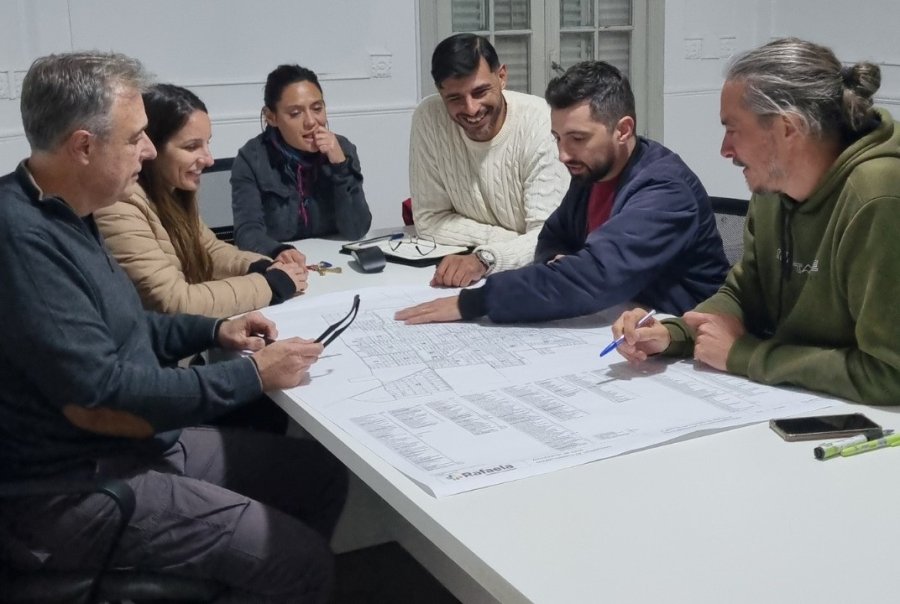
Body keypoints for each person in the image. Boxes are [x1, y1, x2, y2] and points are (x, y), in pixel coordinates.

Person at [0, 51, 347, 603]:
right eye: (136, 136)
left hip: (127, 442)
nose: (147, 149)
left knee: (318, 475)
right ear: (84, 146)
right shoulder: (22, 238)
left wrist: (213, 334)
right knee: (297, 563)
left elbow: (131, 324)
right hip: (70, 487)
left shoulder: (71, 209)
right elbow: (105, 393)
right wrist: (252, 376)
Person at [612, 38, 900, 406]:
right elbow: (745, 293)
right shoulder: (773, 188)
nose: (724, 149)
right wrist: (672, 334)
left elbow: (890, 373)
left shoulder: (878, 198)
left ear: (787, 129)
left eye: (733, 129)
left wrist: (745, 357)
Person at [396, 61, 728, 326]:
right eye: (557, 138)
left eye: (578, 138)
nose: (563, 154)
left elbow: (595, 277)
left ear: (623, 130)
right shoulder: (591, 172)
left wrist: (475, 301)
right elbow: (552, 238)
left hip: (687, 336)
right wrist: (561, 264)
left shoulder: (665, 191)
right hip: (623, 321)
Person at [95, 83, 307, 318]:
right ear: (150, 148)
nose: (208, 160)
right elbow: (172, 301)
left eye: (207, 143)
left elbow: (208, 249)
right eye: (192, 146)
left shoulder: (172, 189)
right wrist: (270, 285)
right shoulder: (118, 206)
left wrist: (260, 265)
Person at [409, 33, 570, 287]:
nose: (471, 109)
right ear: (440, 94)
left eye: (480, 91)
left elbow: (548, 239)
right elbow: (429, 221)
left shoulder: (540, 121)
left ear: (502, 77)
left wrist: (484, 258)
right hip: (473, 270)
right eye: (454, 98)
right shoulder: (428, 117)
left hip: (533, 277)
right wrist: (511, 239)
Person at [231, 64, 371, 260]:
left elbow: (356, 230)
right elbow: (247, 232)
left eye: (317, 108)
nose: (311, 122)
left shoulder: (342, 149)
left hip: (335, 261)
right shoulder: (252, 158)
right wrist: (279, 252)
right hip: (281, 263)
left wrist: (340, 165)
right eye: (295, 113)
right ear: (271, 117)